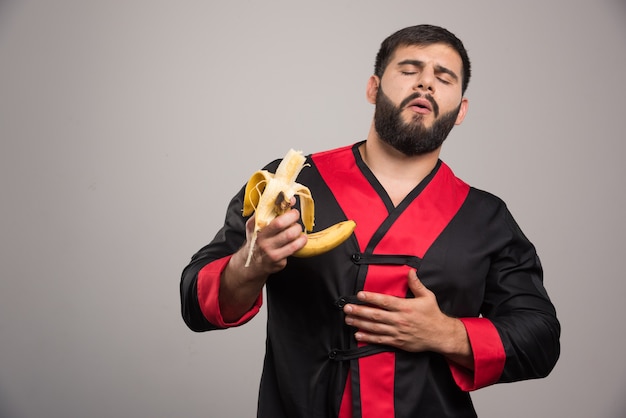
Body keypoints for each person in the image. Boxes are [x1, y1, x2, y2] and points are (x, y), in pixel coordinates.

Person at [180, 24, 560, 418]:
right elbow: (195, 301)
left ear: (460, 110)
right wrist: (251, 263)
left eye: (443, 78)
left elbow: (541, 340)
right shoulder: (289, 184)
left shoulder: (485, 217)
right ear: (373, 89)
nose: (426, 83)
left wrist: (446, 334)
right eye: (410, 70)